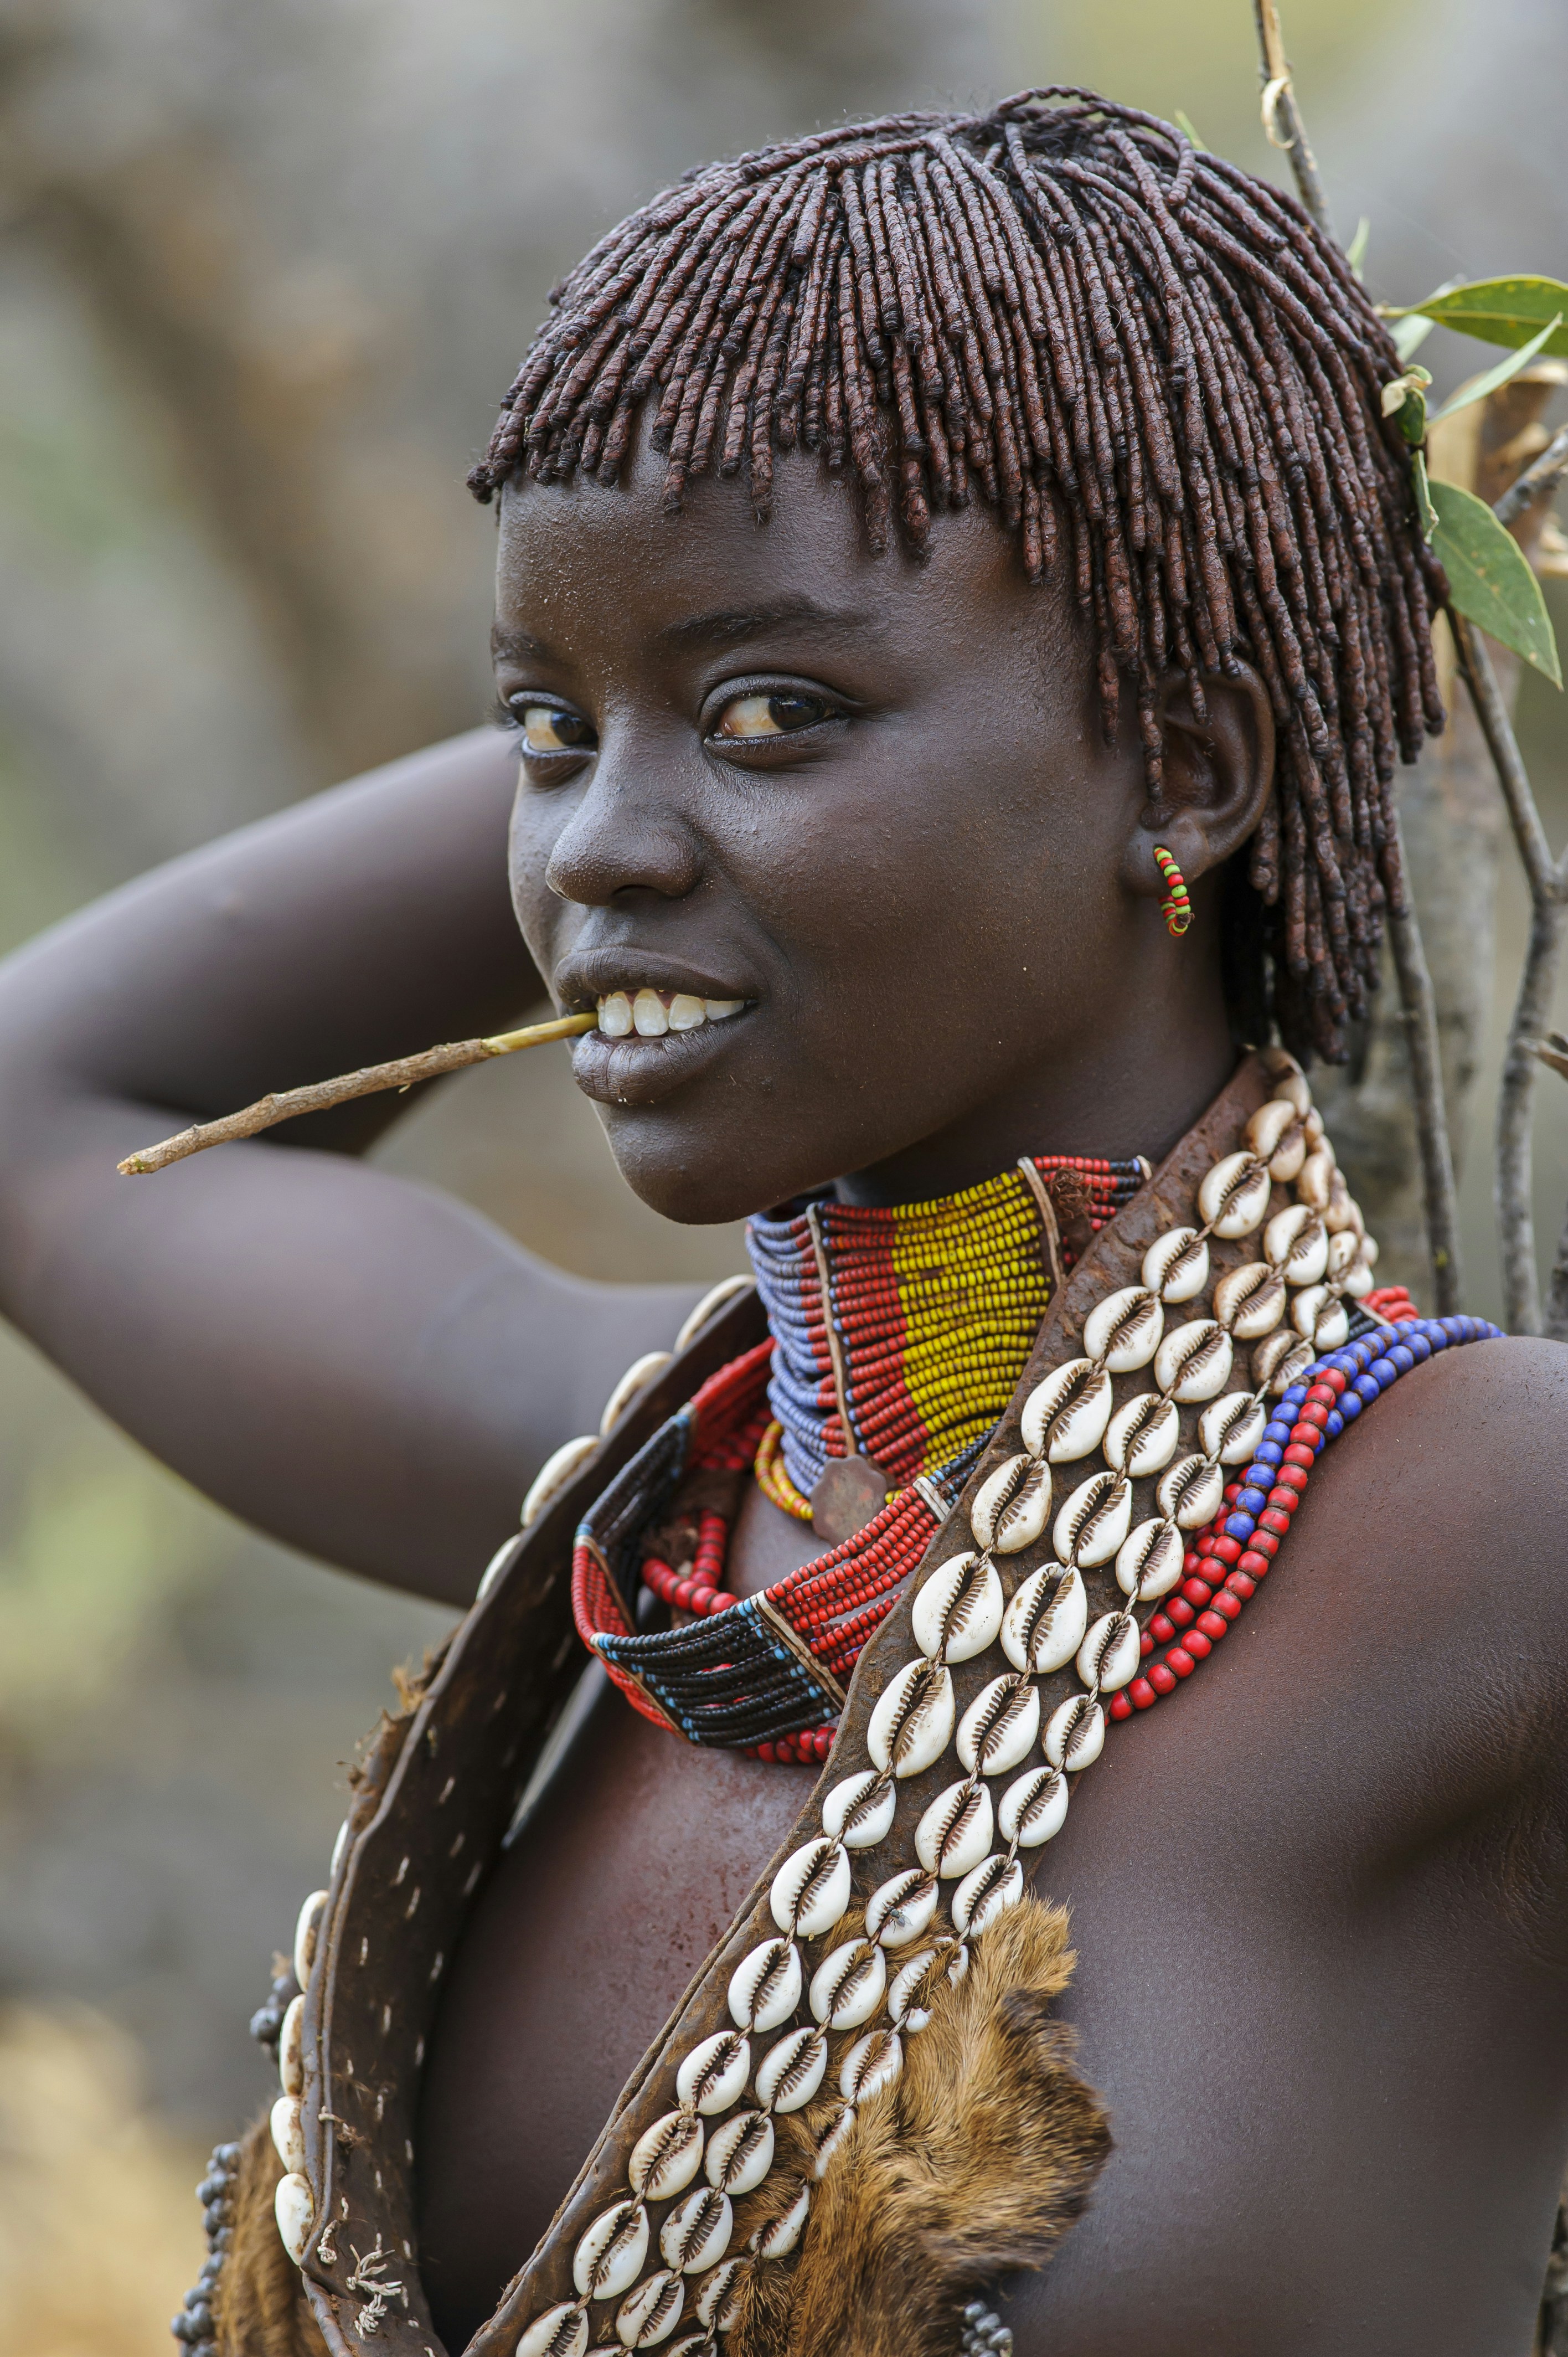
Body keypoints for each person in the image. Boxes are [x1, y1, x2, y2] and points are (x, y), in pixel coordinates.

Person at [0, 86, 1563, 2357]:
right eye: (542, 735)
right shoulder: (622, 1482)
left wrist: (1240, 571)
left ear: (1194, 767)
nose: (588, 851)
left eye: (772, 710)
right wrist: (654, 675)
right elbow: (49, 1106)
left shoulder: (1494, 1535)